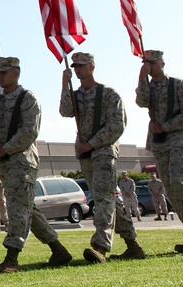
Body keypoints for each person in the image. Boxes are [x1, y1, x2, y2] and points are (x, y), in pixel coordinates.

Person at [0, 56, 72, 275]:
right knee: (27, 209)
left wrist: (6, 148)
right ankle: (58, 250)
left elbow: (29, 131)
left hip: (22, 161)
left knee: (18, 209)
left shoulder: (28, 98)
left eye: (4, 72)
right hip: (7, 163)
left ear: (16, 73)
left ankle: (12, 258)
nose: (0, 76)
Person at [60, 52, 144, 263]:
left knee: (104, 198)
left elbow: (117, 125)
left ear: (92, 66)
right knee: (104, 199)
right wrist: (65, 85)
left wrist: (93, 143)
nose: (78, 69)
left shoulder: (108, 94)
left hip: (104, 151)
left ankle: (100, 246)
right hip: (85, 153)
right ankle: (133, 244)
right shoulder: (76, 94)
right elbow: (65, 111)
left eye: (82, 65)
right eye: (75, 66)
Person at [136, 50, 183, 253]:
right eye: (146, 63)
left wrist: (166, 126)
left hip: (177, 140)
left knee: (178, 180)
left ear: (162, 63)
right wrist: (141, 77)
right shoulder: (147, 88)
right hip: (159, 144)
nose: (150, 66)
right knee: (170, 187)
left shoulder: (177, 85)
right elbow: (141, 101)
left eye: (153, 62)